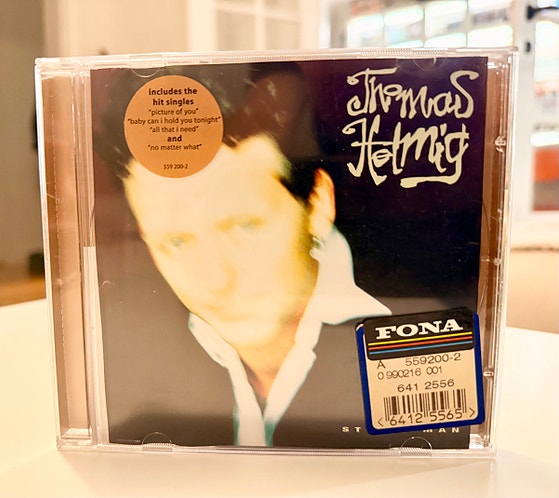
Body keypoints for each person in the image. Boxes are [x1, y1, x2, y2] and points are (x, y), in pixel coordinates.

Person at [93, 62, 467, 449]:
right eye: (176, 242)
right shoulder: (116, 361)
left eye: (244, 226)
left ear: (318, 203)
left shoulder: (430, 329)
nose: (216, 279)